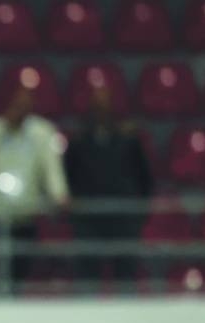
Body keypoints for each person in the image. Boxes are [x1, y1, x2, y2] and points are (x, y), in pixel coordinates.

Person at [0, 88, 68, 288]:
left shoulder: (42, 132)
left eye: (24, 106)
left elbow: (51, 166)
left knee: (20, 267)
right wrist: (1, 127)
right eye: (16, 105)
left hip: (24, 211)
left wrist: (59, 194)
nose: (20, 110)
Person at [63, 88, 153, 292]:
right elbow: (68, 178)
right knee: (87, 277)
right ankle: (86, 321)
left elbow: (145, 179)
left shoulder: (129, 140)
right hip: (88, 220)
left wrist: (138, 213)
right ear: (90, 110)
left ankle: (128, 319)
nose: (100, 111)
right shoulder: (77, 143)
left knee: (125, 275)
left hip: (123, 219)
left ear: (112, 108)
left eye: (104, 106)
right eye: (96, 107)